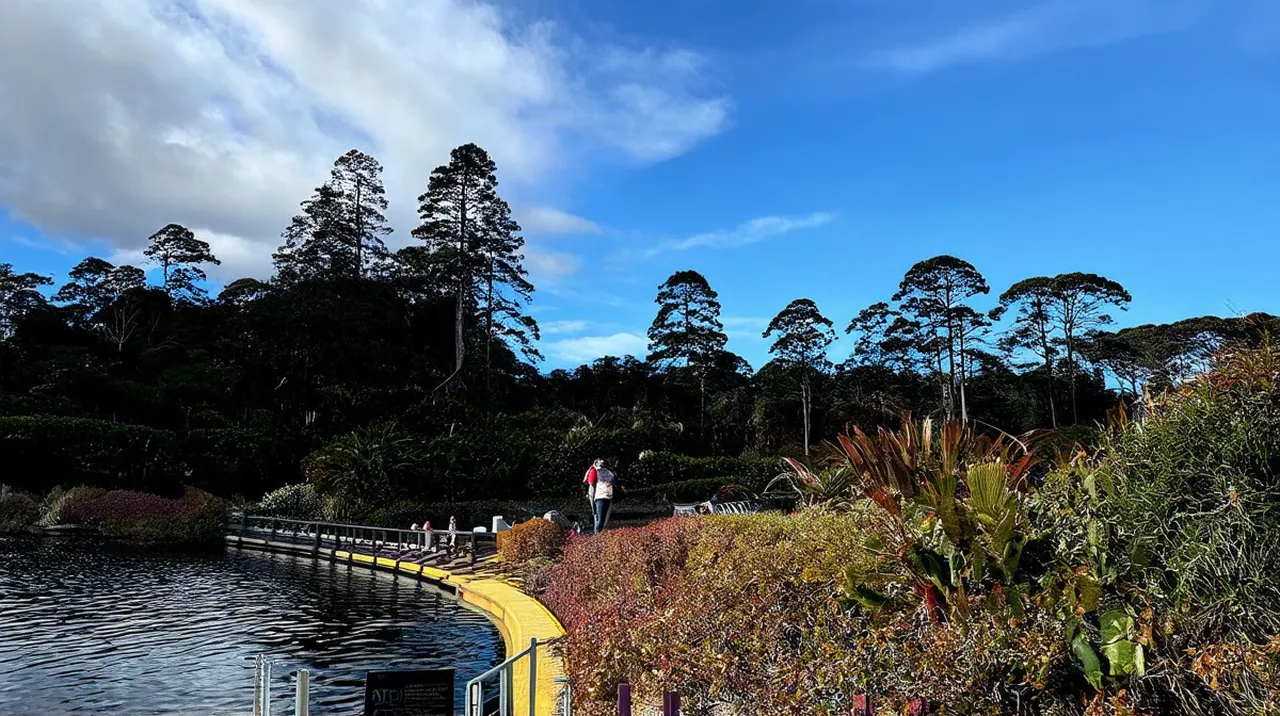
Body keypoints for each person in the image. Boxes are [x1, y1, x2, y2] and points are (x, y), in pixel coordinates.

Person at [583, 458, 616, 535]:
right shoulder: (610, 473)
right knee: (602, 517)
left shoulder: (594, 471)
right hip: (606, 496)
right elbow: (613, 482)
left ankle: (597, 534)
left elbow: (590, 482)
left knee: (599, 516)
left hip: (600, 496)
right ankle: (598, 534)